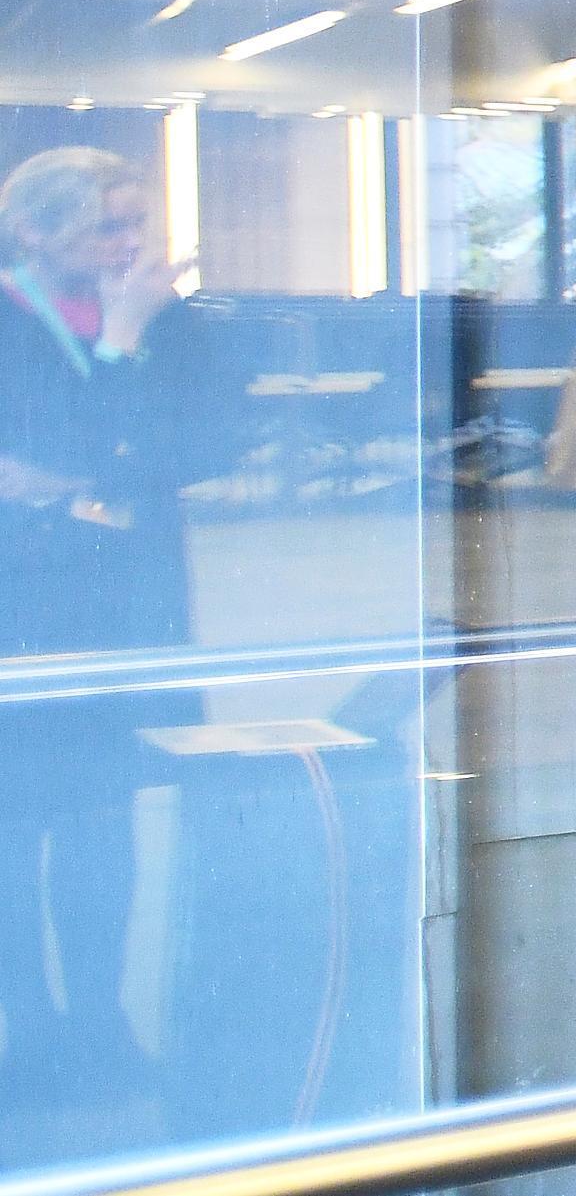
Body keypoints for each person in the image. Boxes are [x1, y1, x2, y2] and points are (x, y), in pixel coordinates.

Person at [0, 146, 228, 1144]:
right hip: (26, 606)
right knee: (17, 828)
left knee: (104, 821)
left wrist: (79, 467)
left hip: (129, 600)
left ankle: (99, 1018)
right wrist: (121, 371)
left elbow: (208, 442)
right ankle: (31, 1033)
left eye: (136, 224)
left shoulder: (164, 320)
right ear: (34, 234)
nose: (130, 246)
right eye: (107, 227)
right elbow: (85, 444)